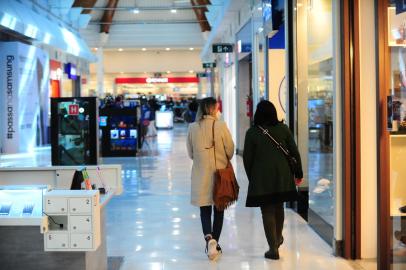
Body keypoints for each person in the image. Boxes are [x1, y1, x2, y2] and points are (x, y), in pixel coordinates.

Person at [243, 100, 303, 260]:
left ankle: (273, 248)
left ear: (257, 114)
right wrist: (299, 173)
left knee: (267, 211)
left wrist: (253, 178)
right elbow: (294, 153)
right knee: (279, 207)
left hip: (262, 178)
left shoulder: (252, 133)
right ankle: (277, 239)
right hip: (282, 175)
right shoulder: (283, 129)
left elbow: (247, 160)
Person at [186, 97, 234, 260]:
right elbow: (230, 150)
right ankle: (215, 242)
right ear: (214, 109)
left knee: (204, 209)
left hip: (201, 174)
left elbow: (190, 153)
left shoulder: (192, 127)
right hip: (219, 175)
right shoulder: (220, 125)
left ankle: (209, 239)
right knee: (219, 209)